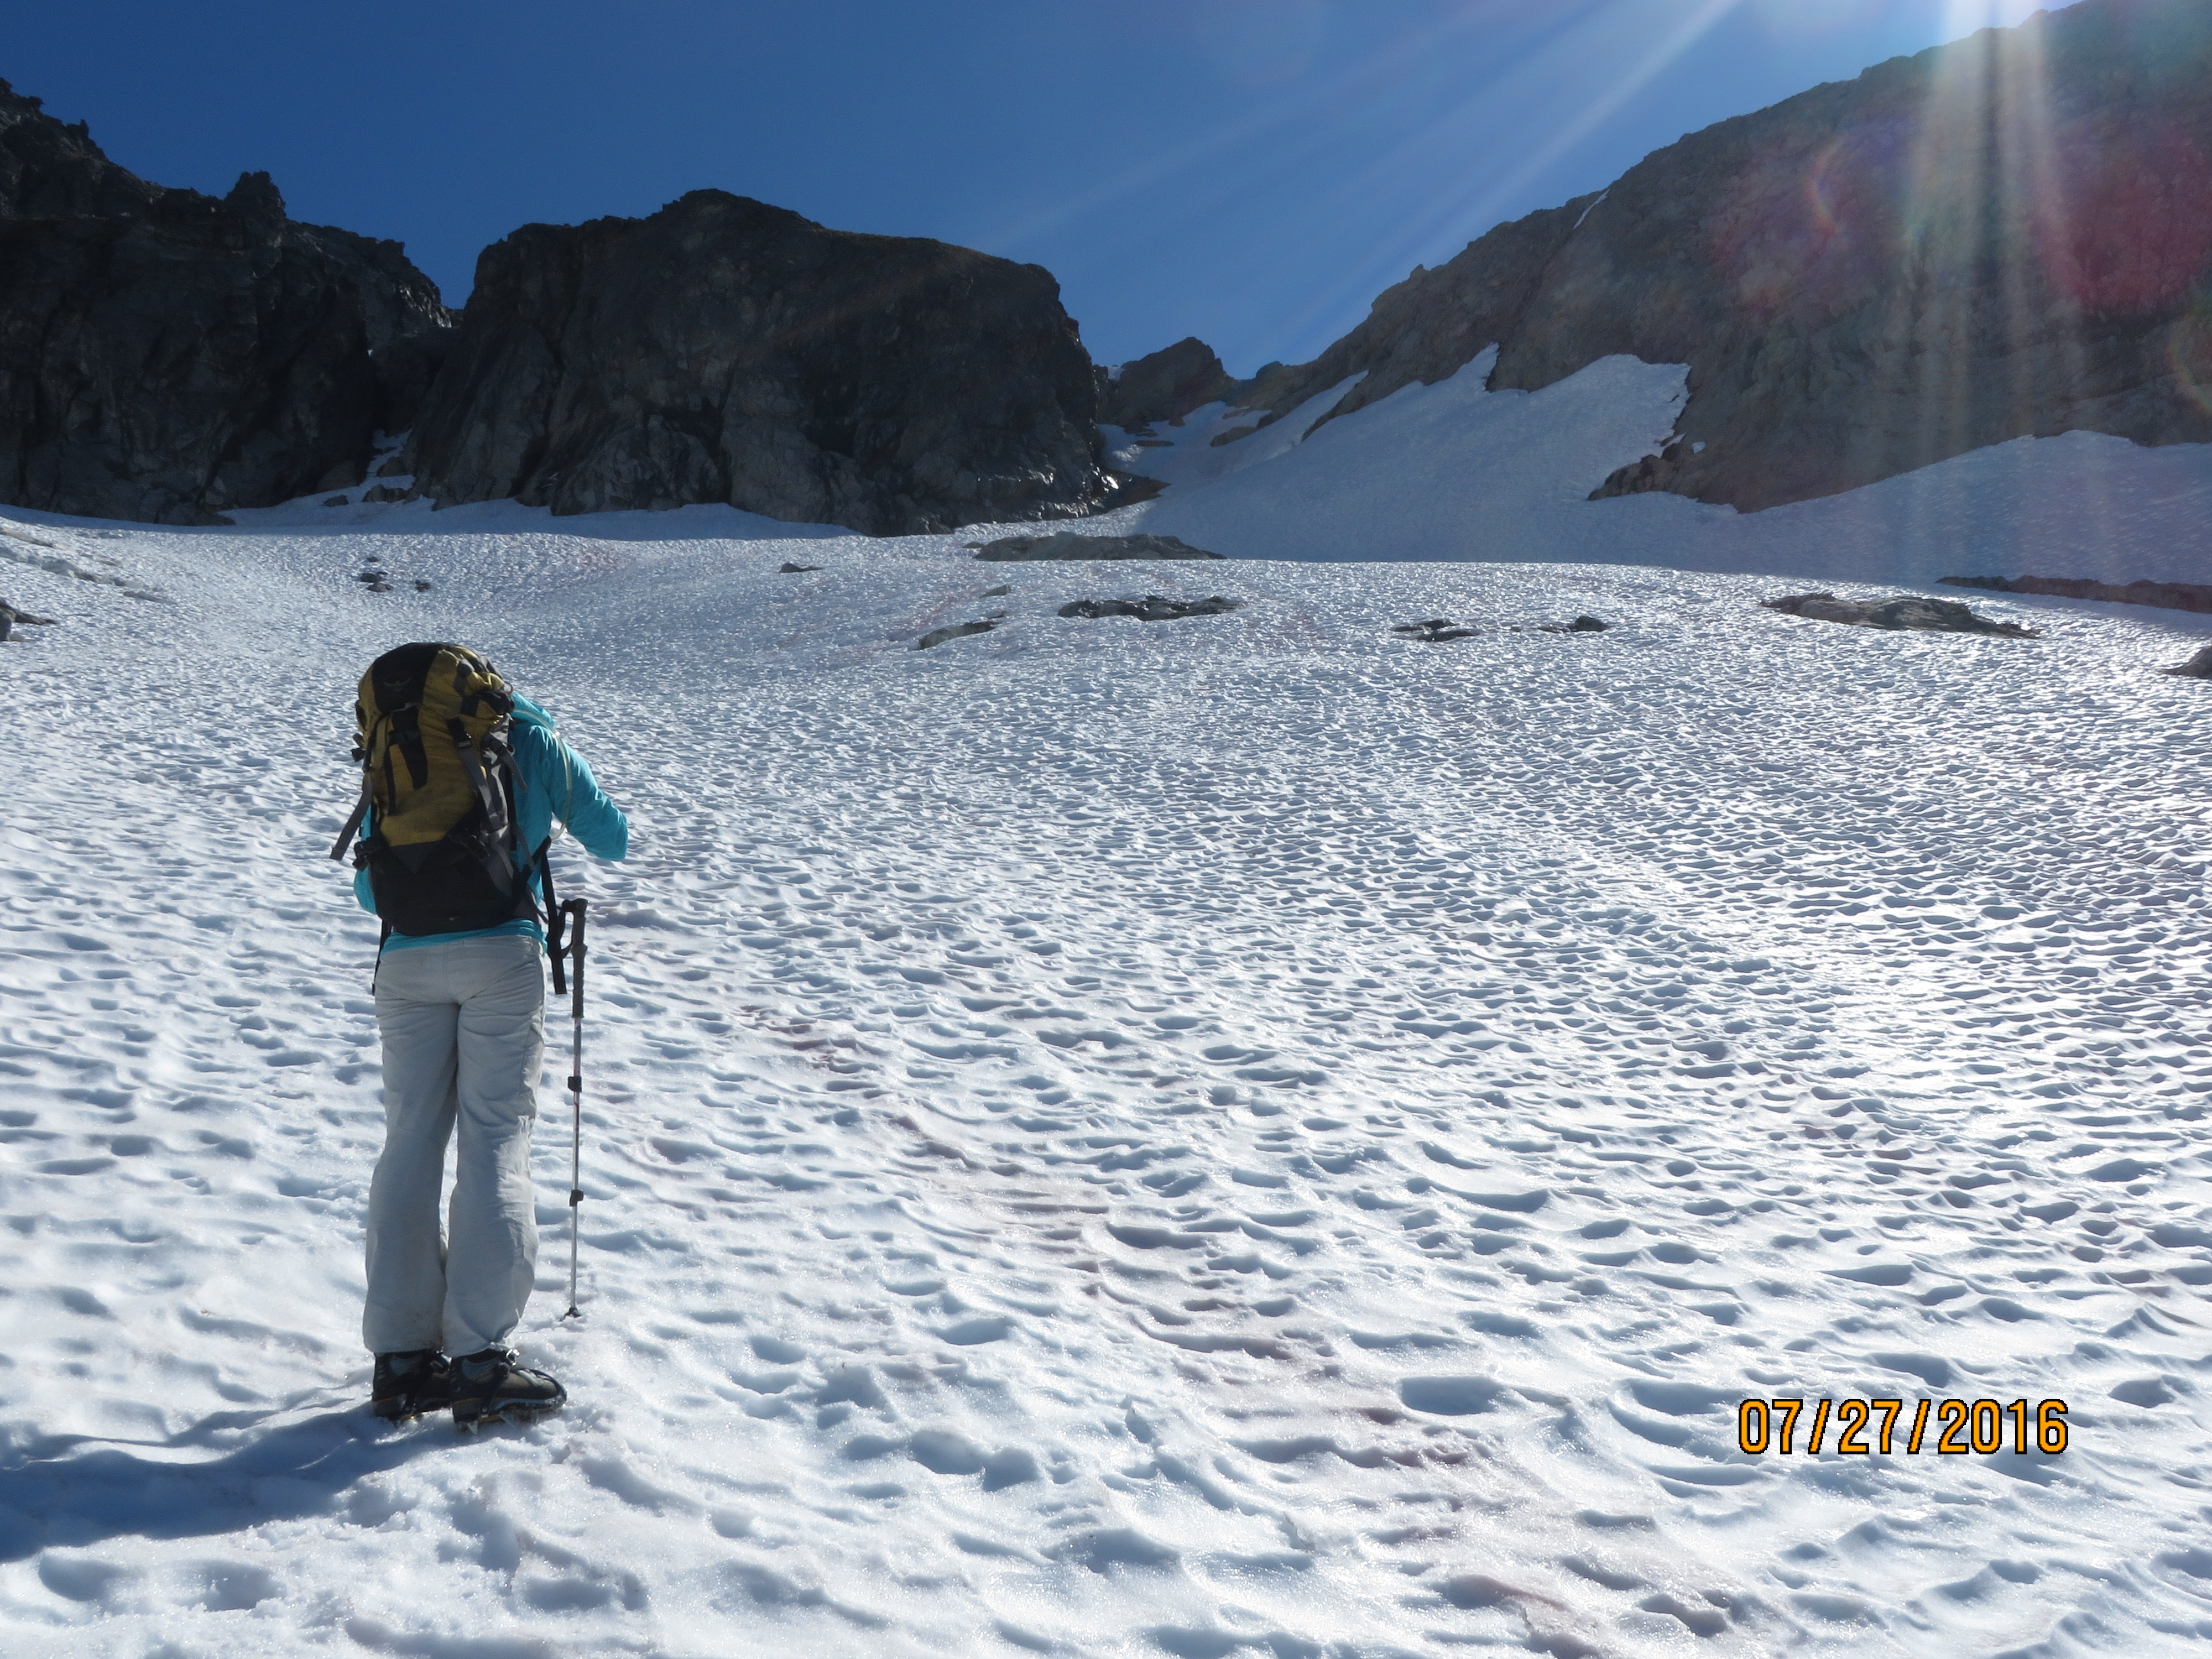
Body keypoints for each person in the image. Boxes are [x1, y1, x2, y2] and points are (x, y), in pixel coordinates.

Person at [346, 658, 628, 1429]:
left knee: (408, 1141)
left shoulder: (396, 747)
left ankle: (401, 1361)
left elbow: (369, 885)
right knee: (496, 1140)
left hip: (403, 959)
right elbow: (615, 839)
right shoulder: (528, 738)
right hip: (502, 955)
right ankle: (478, 1360)